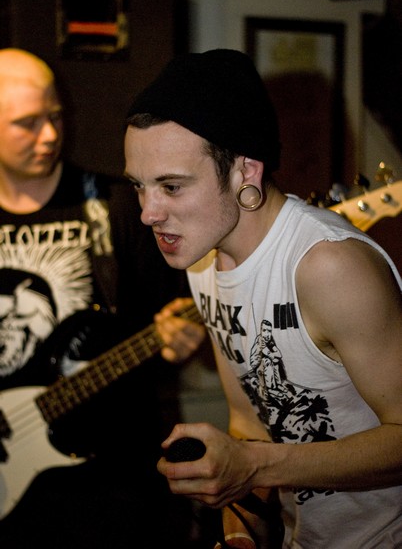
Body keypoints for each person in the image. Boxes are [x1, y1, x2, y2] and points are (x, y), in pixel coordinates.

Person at [124, 49, 402, 549]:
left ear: (245, 172)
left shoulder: (327, 266)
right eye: (139, 187)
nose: (148, 212)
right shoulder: (204, 264)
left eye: (171, 186)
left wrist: (254, 466)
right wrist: (242, 534)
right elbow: (250, 422)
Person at [0, 47, 203, 548]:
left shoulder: (117, 207)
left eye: (55, 116)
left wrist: (184, 337)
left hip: (115, 485)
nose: (50, 135)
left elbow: (180, 315)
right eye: (27, 123)